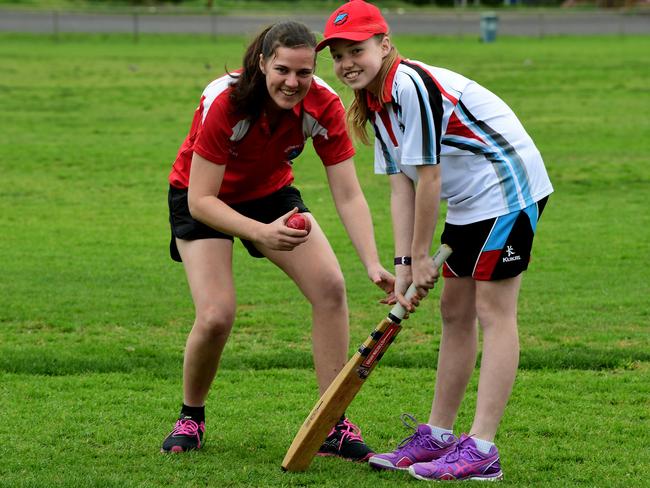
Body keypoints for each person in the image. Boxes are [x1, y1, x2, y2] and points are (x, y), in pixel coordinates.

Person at [316, 1, 554, 481]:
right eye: (338, 55)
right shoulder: (374, 103)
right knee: (453, 311)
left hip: (506, 189)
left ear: (384, 45)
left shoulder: (409, 85)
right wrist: (405, 264)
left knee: (493, 311)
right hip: (469, 200)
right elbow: (401, 185)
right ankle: (438, 436)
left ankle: (482, 447)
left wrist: (424, 254)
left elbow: (428, 178)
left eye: (356, 50)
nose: (346, 64)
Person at [162, 20, 394, 462]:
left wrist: (371, 262)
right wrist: (260, 233)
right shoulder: (226, 104)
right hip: (205, 198)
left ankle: (331, 423)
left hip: (270, 194)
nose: (292, 82)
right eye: (283, 70)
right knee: (216, 315)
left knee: (330, 289)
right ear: (264, 62)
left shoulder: (323, 105)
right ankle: (191, 416)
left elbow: (347, 193)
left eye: (303, 73)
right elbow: (201, 200)